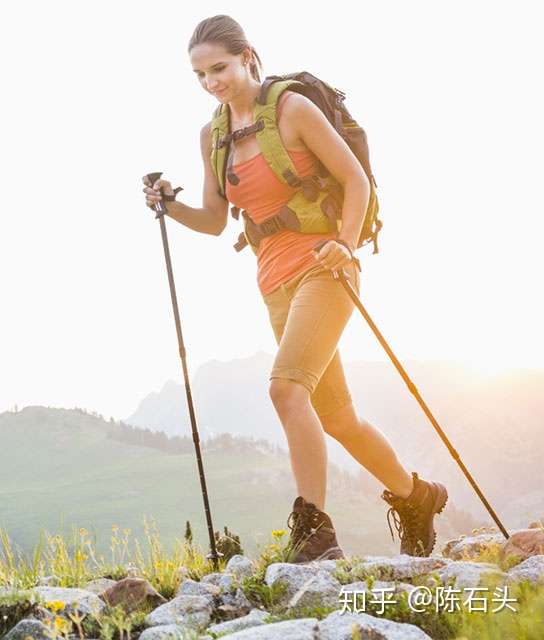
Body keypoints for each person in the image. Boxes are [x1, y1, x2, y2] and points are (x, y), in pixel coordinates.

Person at [142, 14, 448, 562]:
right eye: (200, 74)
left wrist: (347, 244)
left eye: (220, 68)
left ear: (247, 57)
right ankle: (416, 497)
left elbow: (354, 178)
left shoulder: (292, 110)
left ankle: (314, 531)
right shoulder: (211, 135)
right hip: (273, 281)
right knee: (336, 418)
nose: (212, 81)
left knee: (285, 391)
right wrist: (169, 203)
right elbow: (215, 220)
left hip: (327, 269)